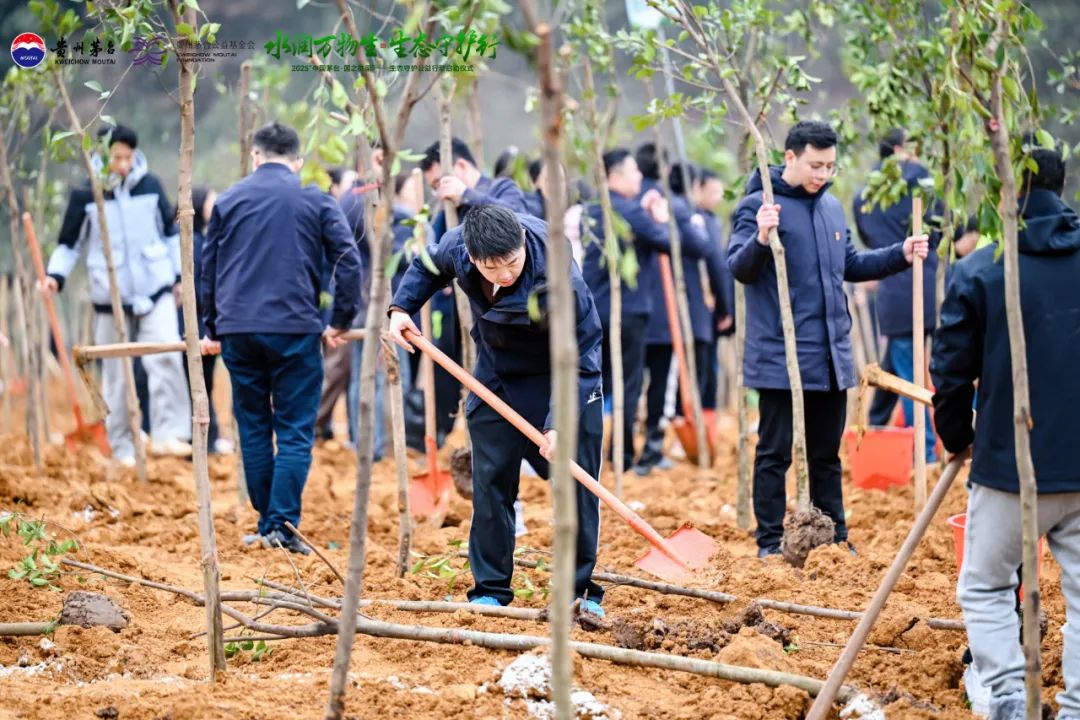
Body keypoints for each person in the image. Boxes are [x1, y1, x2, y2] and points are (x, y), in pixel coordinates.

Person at [387, 204, 606, 616]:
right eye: (493, 267)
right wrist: (401, 309)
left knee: (576, 487)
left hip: (564, 376)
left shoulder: (560, 280)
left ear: (523, 243)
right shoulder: (461, 246)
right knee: (491, 481)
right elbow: (428, 265)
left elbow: (580, 356)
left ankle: (579, 593)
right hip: (497, 374)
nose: (505, 274)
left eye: (512, 262)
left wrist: (558, 424)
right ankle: (490, 590)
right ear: (471, 257)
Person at [728, 120, 929, 558]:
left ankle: (835, 537)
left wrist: (901, 253)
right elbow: (739, 269)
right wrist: (761, 237)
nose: (822, 174)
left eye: (830, 166)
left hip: (831, 354)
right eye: (815, 165)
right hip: (781, 356)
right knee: (774, 452)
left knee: (825, 454)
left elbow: (851, 265)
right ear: (790, 158)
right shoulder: (759, 207)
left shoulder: (832, 208)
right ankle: (768, 542)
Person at [930, 138, 1080, 720]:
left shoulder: (982, 270)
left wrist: (956, 436)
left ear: (1004, 191)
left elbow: (950, 370)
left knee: (986, 585)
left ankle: (1010, 700)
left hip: (1009, 466)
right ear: (1061, 187)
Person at [200, 122, 361, 554]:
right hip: (294, 327)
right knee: (293, 430)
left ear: (255, 157)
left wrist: (210, 325)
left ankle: (269, 522)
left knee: (252, 426)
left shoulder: (230, 200)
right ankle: (281, 527)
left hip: (238, 329)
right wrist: (340, 319)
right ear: (298, 161)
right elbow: (348, 259)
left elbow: (208, 267)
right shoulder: (315, 197)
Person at [41, 123, 192, 465]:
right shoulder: (86, 195)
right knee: (116, 376)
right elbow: (68, 245)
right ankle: (122, 446)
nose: (122, 164)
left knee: (166, 356)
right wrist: (55, 277)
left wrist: (180, 276)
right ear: (101, 156)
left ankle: (170, 435)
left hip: (156, 290)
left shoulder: (151, 187)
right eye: (116, 157)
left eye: (128, 157)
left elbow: (170, 235)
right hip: (109, 301)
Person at [581, 148, 708, 471]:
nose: (640, 177)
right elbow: (691, 246)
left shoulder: (591, 209)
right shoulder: (630, 212)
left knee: (598, 382)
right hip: (628, 313)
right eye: (634, 171)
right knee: (627, 385)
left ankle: (595, 452)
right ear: (615, 176)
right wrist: (664, 219)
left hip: (595, 311)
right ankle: (621, 456)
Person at [633, 150, 729, 475]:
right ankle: (651, 450)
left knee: (634, 382)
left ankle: (622, 451)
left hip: (634, 310)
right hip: (667, 312)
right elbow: (707, 251)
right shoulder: (676, 209)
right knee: (666, 383)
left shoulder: (630, 202)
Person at [855, 128, 939, 459]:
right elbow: (944, 222)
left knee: (898, 365)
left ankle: (877, 429)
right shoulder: (921, 179)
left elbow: (867, 237)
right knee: (909, 375)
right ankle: (926, 450)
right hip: (923, 287)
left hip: (892, 292)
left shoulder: (864, 193)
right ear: (902, 149)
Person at [315, 167, 359, 443]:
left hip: (334, 306)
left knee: (340, 370)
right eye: (350, 184)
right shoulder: (328, 217)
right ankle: (315, 423)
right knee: (334, 368)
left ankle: (324, 425)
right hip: (327, 308)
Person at [420, 136, 527, 241]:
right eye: (435, 188)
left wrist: (466, 194)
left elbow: (519, 219)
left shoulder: (502, 187)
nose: (439, 192)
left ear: (462, 166)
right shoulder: (447, 210)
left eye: (440, 183)